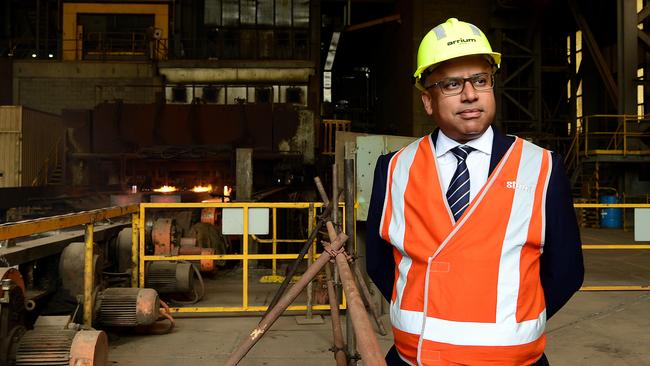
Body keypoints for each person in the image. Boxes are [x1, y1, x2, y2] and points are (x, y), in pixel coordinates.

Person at [365, 18, 584, 365]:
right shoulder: (393, 168)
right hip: (415, 358)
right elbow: (378, 262)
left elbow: (566, 271)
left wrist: (512, 321)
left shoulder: (542, 166)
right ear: (427, 101)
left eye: (480, 80)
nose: (470, 94)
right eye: (452, 84)